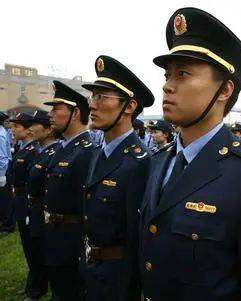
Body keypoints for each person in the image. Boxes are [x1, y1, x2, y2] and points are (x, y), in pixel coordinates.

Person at [139, 7, 241, 301]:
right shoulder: (160, 160)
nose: (167, 85)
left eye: (183, 74)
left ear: (224, 89)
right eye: (167, 74)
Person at [81, 55, 154, 300]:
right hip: (93, 268)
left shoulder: (139, 162)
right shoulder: (99, 154)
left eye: (102, 97)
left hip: (119, 280)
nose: (92, 105)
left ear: (130, 106)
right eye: (93, 96)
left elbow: (138, 237)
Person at [43, 80, 95, 300]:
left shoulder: (85, 152)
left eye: (56, 109)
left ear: (75, 113)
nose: (50, 115)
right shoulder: (63, 148)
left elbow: (86, 207)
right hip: (56, 236)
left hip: (71, 242)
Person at [27, 110, 61, 300]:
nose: (30, 129)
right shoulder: (40, 150)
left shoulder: (54, 152)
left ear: (48, 130)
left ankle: (39, 286)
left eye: (34, 125)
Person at [8, 113, 40, 298]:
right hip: (19, 203)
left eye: (17, 127)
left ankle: (36, 286)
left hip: (27, 204)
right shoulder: (23, 148)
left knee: (33, 247)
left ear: (28, 130)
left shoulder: (33, 152)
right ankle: (33, 281)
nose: (13, 131)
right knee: (28, 247)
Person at [0, 112, 13, 234]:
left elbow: (3, 157)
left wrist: (2, 174)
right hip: (3, 169)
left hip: (2, 171)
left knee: (4, 199)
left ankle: (8, 225)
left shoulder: (0, 134)